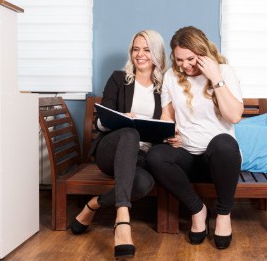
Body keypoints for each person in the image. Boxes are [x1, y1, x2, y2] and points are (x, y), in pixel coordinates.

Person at [71, 30, 167, 258]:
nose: (140, 55)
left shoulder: (165, 85)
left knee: (144, 183)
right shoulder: (118, 78)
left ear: (157, 54)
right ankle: (122, 218)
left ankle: (94, 204)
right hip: (110, 151)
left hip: (141, 157)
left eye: (146, 49)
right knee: (130, 133)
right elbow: (102, 121)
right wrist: (123, 117)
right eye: (136, 49)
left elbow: (168, 122)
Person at [146, 26, 243, 250]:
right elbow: (167, 115)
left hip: (218, 161)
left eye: (190, 59)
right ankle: (198, 210)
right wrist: (170, 133)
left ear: (203, 52)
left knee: (225, 143)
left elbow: (234, 116)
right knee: (155, 156)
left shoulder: (224, 71)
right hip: (187, 156)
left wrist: (216, 77)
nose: (185, 66)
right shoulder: (172, 76)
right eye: (179, 60)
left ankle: (223, 215)